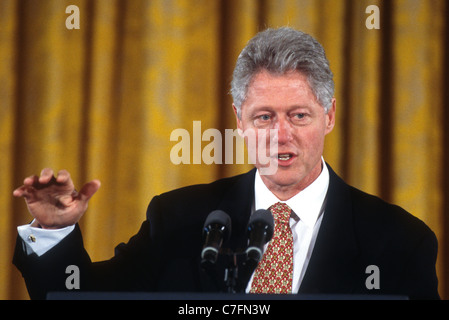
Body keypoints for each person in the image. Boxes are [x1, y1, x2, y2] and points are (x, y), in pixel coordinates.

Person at [13, 27, 439, 300]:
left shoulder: (400, 241)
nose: (281, 135)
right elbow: (79, 297)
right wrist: (54, 230)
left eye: (299, 115)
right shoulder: (177, 219)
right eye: (264, 117)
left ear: (329, 116)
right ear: (239, 121)